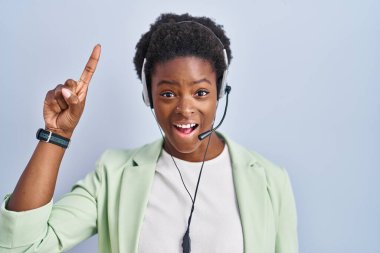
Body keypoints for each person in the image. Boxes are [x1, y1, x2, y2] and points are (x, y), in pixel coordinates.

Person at [0, 13, 298, 253]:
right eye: (168, 93)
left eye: (201, 92)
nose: (184, 108)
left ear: (219, 92)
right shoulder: (113, 175)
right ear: (148, 95)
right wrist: (56, 135)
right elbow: (22, 247)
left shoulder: (271, 181)